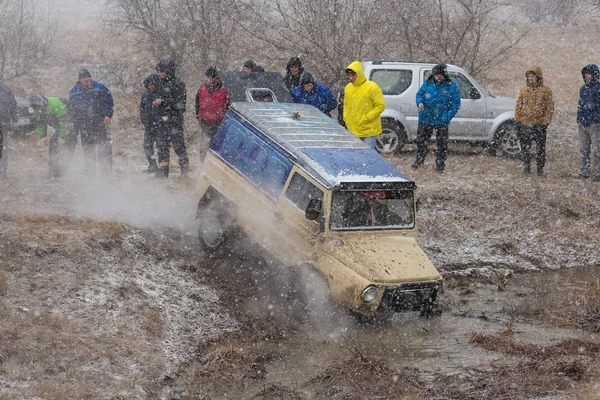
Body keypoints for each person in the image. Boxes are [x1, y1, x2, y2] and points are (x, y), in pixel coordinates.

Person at [411, 63, 461, 173]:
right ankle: (419, 160)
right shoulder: (427, 83)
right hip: (426, 118)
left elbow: (456, 104)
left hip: (442, 120)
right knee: (421, 141)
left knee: (442, 144)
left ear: (445, 75)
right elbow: (419, 95)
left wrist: (447, 117)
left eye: (441, 75)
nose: (438, 77)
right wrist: (419, 103)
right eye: (436, 75)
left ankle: (440, 164)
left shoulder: (451, 86)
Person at [67, 68, 114, 178]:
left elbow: (109, 101)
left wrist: (108, 115)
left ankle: (106, 175)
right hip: (85, 125)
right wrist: (72, 119)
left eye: (88, 77)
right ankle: (91, 174)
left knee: (104, 149)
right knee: (88, 150)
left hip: (100, 123)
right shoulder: (74, 92)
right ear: (79, 79)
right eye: (84, 77)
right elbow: (71, 108)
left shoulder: (99, 87)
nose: (86, 79)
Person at [514, 65, 554, 176]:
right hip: (524, 122)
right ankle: (526, 166)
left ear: (538, 77)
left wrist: (545, 123)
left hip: (539, 123)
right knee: (525, 147)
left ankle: (540, 169)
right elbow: (518, 105)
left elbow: (549, 108)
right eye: (529, 76)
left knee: (540, 148)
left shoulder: (546, 91)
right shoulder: (523, 90)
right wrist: (517, 121)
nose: (530, 78)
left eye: (532, 76)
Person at [154, 59, 189, 178]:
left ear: (167, 71)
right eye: (158, 71)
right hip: (162, 120)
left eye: (160, 71)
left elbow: (181, 104)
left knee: (178, 146)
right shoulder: (159, 83)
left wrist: (163, 101)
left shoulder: (178, 84)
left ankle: (184, 171)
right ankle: (163, 172)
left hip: (175, 120)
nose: (158, 74)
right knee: (162, 146)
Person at [343, 61, 385, 149]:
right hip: (353, 130)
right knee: (356, 157)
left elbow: (380, 106)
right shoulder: (348, 88)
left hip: (368, 130)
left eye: (353, 75)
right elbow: (346, 105)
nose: (351, 77)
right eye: (349, 75)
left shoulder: (372, 87)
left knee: (368, 157)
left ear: (359, 74)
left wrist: (367, 118)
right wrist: (346, 117)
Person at [29, 95, 70, 177]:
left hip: (68, 126)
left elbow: (63, 121)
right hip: (58, 127)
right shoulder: (36, 110)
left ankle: (63, 170)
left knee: (67, 148)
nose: (38, 109)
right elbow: (40, 123)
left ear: (42, 103)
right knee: (53, 147)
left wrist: (62, 137)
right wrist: (42, 136)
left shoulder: (55, 104)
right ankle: (53, 171)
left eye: (39, 107)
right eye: (36, 108)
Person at [194, 66, 228, 161]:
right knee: (204, 146)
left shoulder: (224, 89)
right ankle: (203, 164)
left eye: (208, 77)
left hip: (219, 122)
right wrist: (198, 116)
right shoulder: (202, 88)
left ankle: (213, 163)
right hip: (205, 122)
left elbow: (227, 105)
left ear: (214, 78)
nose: (206, 79)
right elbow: (197, 103)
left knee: (216, 146)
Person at [577, 64, 600, 181]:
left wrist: (597, 120)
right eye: (585, 73)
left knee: (597, 150)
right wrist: (579, 119)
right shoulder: (582, 89)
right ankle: (584, 172)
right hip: (583, 124)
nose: (587, 76)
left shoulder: (599, 88)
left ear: (595, 74)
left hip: (595, 124)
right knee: (584, 149)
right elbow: (580, 106)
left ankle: (598, 174)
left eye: (589, 73)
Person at [140, 74, 161, 173]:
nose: (151, 86)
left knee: (161, 146)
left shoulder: (161, 94)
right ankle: (152, 165)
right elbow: (142, 108)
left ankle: (162, 168)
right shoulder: (145, 95)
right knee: (147, 145)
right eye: (149, 85)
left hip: (160, 125)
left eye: (152, 84)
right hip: (149, 125)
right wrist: (144, 119)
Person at [0, 74, 17, 179]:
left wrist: (15, 119)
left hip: (3, 124)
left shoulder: (6, 89)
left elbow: (13, 105)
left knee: (3, 148)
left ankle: (2, 171)